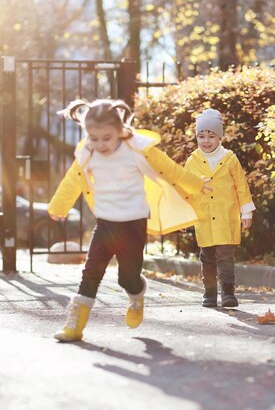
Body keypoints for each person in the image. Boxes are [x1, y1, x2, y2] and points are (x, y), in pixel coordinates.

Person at [48, 99, 211, 342]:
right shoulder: (87, 153)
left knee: (127, 277)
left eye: (106, 137)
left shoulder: (137, 150)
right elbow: (73, 179)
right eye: (93, 138)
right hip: (105, 223)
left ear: (120, 131)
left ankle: (136, 295)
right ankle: (75, 326)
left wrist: (196, 183)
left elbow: (170, 169)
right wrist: (59, 205)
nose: (100, 144)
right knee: (91, 272)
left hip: (133, 223)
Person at [184, 108, 255, 308]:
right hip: (204, 218)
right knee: (207, 258)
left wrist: (246, 212)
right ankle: (209, 293)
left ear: (220, 137)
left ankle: (228, 292)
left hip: (226, 217)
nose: (206, 141)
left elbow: (241, 186)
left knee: (226, 256)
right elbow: (185, 189)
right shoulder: (192, 161)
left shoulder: (230, 159)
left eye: (211, 136)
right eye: (201, 136)